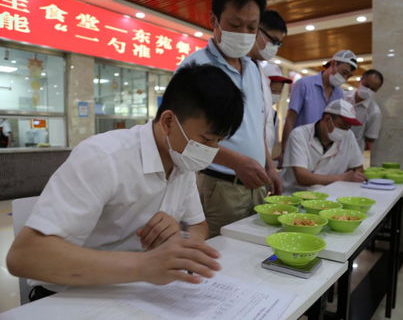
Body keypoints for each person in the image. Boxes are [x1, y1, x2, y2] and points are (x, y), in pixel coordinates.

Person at [6, 64, 244, 301]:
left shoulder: (182, 164)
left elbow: (198, 226)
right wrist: (145, 266)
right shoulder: (103, 157)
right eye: (206, 139)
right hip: (70, 295)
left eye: (218, 141)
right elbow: (24, 257)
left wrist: (180, 241)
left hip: (135, 291)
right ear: (169, 122)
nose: (211, 151)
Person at [178, 0, 282, 238]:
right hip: (219, 187)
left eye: (252, 27)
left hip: (256, 184)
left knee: (251, 255)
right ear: (215, 21)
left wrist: (269, 165)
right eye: (235, 25)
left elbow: (256, 125)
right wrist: (237, 162)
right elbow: (181, 137)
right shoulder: (196, 67)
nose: (244, 34)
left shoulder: (254, 69)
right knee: (217, 260)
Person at [279, 50, 357, 167]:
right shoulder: (304, 84)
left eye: (348, 76)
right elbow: (290, 119)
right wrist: (284, 150)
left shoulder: (339, 94)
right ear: (334, 64)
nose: (344, 78)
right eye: (343, 72)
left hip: (324, 150)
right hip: (300, 146)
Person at [282, 99, 366, 192]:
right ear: (327, 119)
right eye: (343, 126)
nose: (345, 131)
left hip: (332, 194)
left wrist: (355, 176)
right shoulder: (299, 134)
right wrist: (342, 178)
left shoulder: (348, 135)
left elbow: (358, 168)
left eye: (348, 127)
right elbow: (302, 177)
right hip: (295, 194)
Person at [246, 9, 288, 158]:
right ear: (256, 30)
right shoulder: (235, 67)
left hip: (256, 164)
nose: (275, 47)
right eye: (274, 41)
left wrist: (269, 166)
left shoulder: (260, 74)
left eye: (279, 44)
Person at [343, 69, 384, 151]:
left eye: (373, 89)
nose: (368, 90)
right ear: (360, 81)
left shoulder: (374, 112)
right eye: (366, 85)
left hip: (353, 153)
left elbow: (370, 139)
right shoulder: (342, 96)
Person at [262, 63, 292, 155]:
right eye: (273, 91)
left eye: (279, 92)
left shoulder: (274, 114)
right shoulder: (249, 109)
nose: (276, 95)